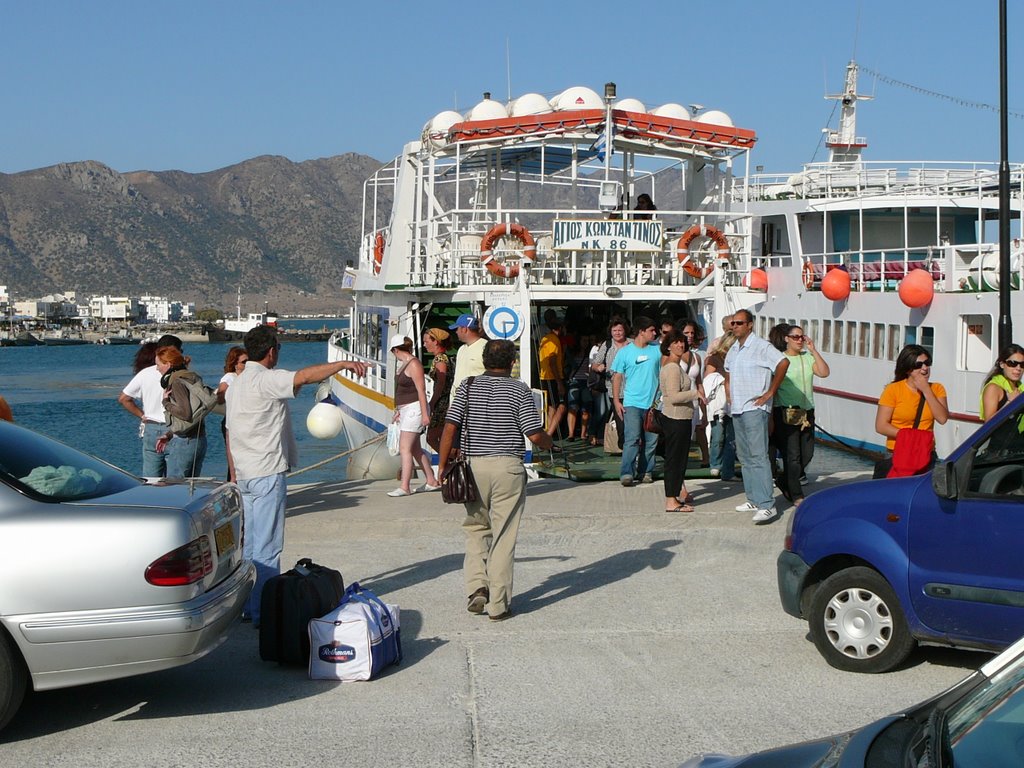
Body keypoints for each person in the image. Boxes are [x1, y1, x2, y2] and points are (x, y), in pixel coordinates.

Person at [226, 325, 367, 626]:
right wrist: (342, 364)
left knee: (250, 546)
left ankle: (249, 606)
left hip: (244, 473)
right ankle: (265, 614)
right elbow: (303, 376)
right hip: (266, 472)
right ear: (272, 351)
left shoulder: (236, 384)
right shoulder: (265, 379)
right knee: (267, 547)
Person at [438, 339, 553, 622]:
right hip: (507, 469)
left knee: (477, 529)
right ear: (512, 363)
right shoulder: (519, 390)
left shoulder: (466, 386)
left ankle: (477, 587)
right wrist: (551, 443)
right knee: (503, 536)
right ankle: (499, 604)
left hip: (473, 467)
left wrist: (442, 466)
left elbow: (450, 427)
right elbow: (533, 433)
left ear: (485, 360)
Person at [724, 309, 789, 525]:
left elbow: (783, 363)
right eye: (733, 323)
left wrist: (770, 392)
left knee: (759, 456)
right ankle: (753, 498)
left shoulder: (761, 346)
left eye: (739, 323)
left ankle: (767, 504)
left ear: (750, 325)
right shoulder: (734, 348)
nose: (735, 326)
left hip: (755, 407)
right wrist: (728, 394)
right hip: (738, 408)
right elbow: (728, 373)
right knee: (745, 457)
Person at [768, 323, 830, 506]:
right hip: (786, 410)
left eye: (801, 337)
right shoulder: (780, 359)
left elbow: (824, 372)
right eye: (795, 337)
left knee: (807, 453)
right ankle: (796, 494)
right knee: (792, 454)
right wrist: (771, 415)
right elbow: (773, 387)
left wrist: (813, 351)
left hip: (807, 411)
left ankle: (785, 479)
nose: (799, 340)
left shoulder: (807, 358)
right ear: (786, 339)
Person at [874, 345, 948, 475]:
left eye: (927, 363)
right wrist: (910, 437)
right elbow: (881, 426)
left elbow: (942, 418)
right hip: (897, 453)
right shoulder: (893, 390)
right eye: (919, 365)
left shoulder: (937, 389)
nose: (925, 368)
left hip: (926, 453)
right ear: (908, 369)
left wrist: (926, 390)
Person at [117, 335, 183, 478]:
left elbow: (124, 398)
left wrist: (142, 415)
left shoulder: (145, 373)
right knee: (176, 482)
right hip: (173, 427)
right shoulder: (180, 375)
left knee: (150, 480)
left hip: (151, 427)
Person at [611, 316, 662, 486]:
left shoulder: (658, 350)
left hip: (653, 403)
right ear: (641, 332)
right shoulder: (624, 352)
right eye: (651, 330)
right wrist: (617, 401)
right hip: (632, 402)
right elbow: (617, 377)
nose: (655, 333)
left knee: (651, 440)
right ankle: (627, 473)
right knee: (631, 439)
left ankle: (645, 471)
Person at [387, 334, 440, 497]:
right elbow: (402, 391)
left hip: (414, 409)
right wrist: (398, 411)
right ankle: (431, 480)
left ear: (395, 350)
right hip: (406, 410)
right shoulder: (404, 364)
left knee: (405, 448)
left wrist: (425, 414)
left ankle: (405, 486)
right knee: (416, 449)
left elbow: (421, 390)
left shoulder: (414, 364)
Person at [660, 331, 702, 512]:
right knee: (674, 461)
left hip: (681, 418)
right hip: (675, 419)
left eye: (682, 342)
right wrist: (696, 393)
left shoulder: (675, 366)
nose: (680, 345)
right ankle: (671, 500)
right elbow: (673, 396)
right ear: (668, 345)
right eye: (676, 342)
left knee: (678, 460)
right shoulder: (672, 368)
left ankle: (674, 497)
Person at [153, 345, 209, 477]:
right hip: (200, 439)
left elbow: (185, 413)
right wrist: (169, 434)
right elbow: (194, 415)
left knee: (175, 488)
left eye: (158, 365)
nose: (156, 368)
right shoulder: (192, 377)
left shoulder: (177, 382)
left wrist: (166, 402)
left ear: (168, 364)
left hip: (185, 442)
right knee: (191, 489)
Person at [590, 318, 631, 448]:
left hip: (632, 388)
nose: (617, 333)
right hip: (614, 389)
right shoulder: (607, 345)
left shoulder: (632, 344)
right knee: (620, 420)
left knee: (632, 420)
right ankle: (624, 445)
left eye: (620, 330)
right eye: (614, 330)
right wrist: (599, 367)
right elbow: (594, 364)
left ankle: (630, 446)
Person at [680, 320, 710, 468]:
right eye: (686, 333)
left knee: (698, 431)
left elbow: (699, 384)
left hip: (694, 403)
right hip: (677, 402)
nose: (690, 336)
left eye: (692, 333)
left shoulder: (697, 356)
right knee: (680, 438)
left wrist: (704, 410)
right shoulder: (669, 355)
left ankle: (705, 458)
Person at [703, 350, 736, 480]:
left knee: (731, 440)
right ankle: (715, 464)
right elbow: (707, 380)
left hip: (732, 404)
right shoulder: (714, 359)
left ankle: (728, 471)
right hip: (718, 404)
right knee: (718, 436)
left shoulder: (736, 357)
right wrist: (720, 380)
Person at [217, 346, 247, 482]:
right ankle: (233, 483)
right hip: (232, 421)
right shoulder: (230, 377)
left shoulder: (248, 377)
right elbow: (220, 394)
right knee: (235, 458)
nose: (247, 364)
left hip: (245, 422)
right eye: (244, 362)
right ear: (235, 363)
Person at [423, 327, 452, 451]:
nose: (424, 345)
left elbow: (441, 382)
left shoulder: (440, 359)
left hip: (442, 403)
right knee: (440, 436)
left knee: (431, 437)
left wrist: (433, 402)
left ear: (435, 342)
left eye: (426, 341)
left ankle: (449, 461)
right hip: (443, 401)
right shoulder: (443, 357)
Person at [538, 315, 567, 440]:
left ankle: (549, 433)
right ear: (560, 328)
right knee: (562, 406)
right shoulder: (554, 340)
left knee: (551, 407)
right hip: (552, 378)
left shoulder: (544, 338)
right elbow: (552, 362)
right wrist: (559, 382)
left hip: (544, 377)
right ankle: (549, 434)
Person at [980, 344, 1024, 421]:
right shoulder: (993, 388)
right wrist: (1009, 403)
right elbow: (988, 423)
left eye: (1022, 365)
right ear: (1002, 364)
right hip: (1001, 433)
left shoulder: (1020, 389)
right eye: (1012, 363)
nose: (1018, 368)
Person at [448, 314, 486, 403]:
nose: (456, 332)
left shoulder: (486, 348)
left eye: (457, 329)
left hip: (475, 402)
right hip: (458, 401)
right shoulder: (461, 349)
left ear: (464, 329)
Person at [565, 332, 595, 441]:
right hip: (575, 380)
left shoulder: (591, 353)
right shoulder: (572, 353)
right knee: (573, 408)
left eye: (587, 341)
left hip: (586, 382)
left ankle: (583, 433)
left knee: (585, 409)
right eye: (583, 340)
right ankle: (571, 434)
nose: (586, 343)